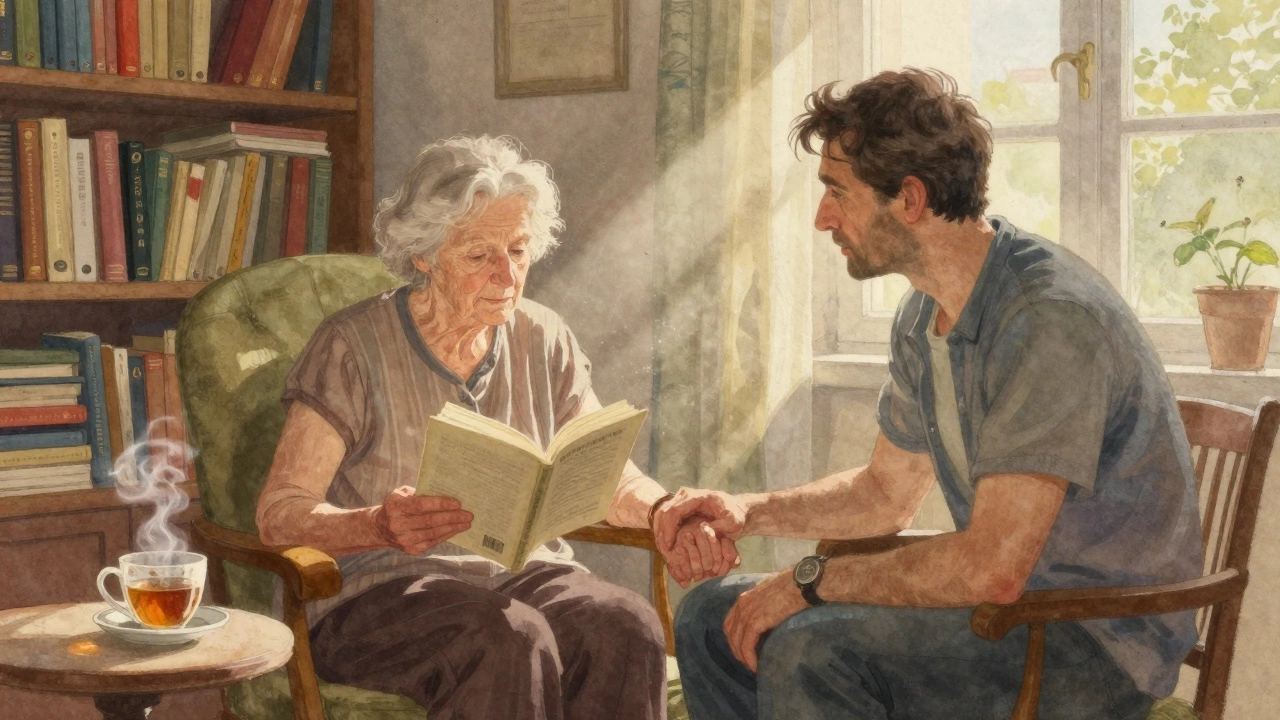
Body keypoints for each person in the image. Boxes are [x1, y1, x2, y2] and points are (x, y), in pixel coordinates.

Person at [659, 69, 1204, 720]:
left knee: (811, 648)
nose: (822, 217)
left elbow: (994, 567)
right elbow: (885, 494)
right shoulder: (925, 313)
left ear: (911, 198)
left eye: (838, 192)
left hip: (1092, 643)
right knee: (709, 618)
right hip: (1008, 614)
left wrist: (811, 581)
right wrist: (748, 512)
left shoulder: (1047, 320)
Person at [255, 134, 726, 720]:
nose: (507, 276)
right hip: (376, 594)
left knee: (623, 624)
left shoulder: (543, 336)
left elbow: (608, 476)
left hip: (522, 576)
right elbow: (280, 513)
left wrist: (662, 511)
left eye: (519, 251)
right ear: (424, 255)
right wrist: (376, 524)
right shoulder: (353, 344)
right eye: (479, 256)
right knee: (509, 636)